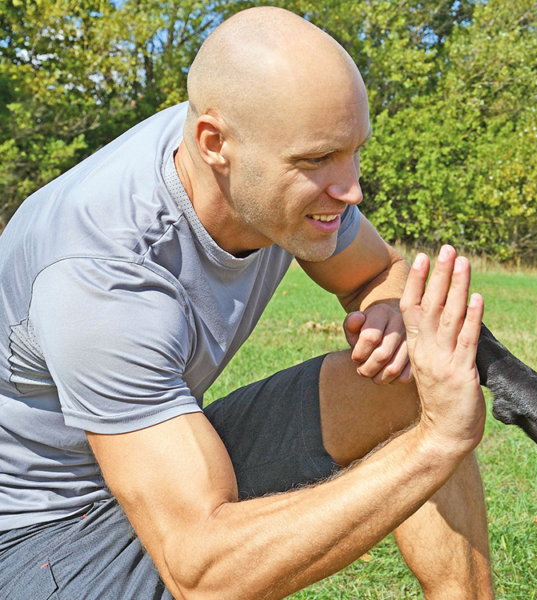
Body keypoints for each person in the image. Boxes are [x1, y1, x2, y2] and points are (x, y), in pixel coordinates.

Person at [0, 7, 493, 599]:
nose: (352, 188)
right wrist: (435, 444)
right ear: (215, 144)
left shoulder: (254, 155)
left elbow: (379, 272)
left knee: (410, 373)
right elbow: (202, 577)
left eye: (352, 151)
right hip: (39, 545)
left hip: (143, 467)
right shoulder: (103, 275)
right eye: (316, 160)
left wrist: (389, 312)